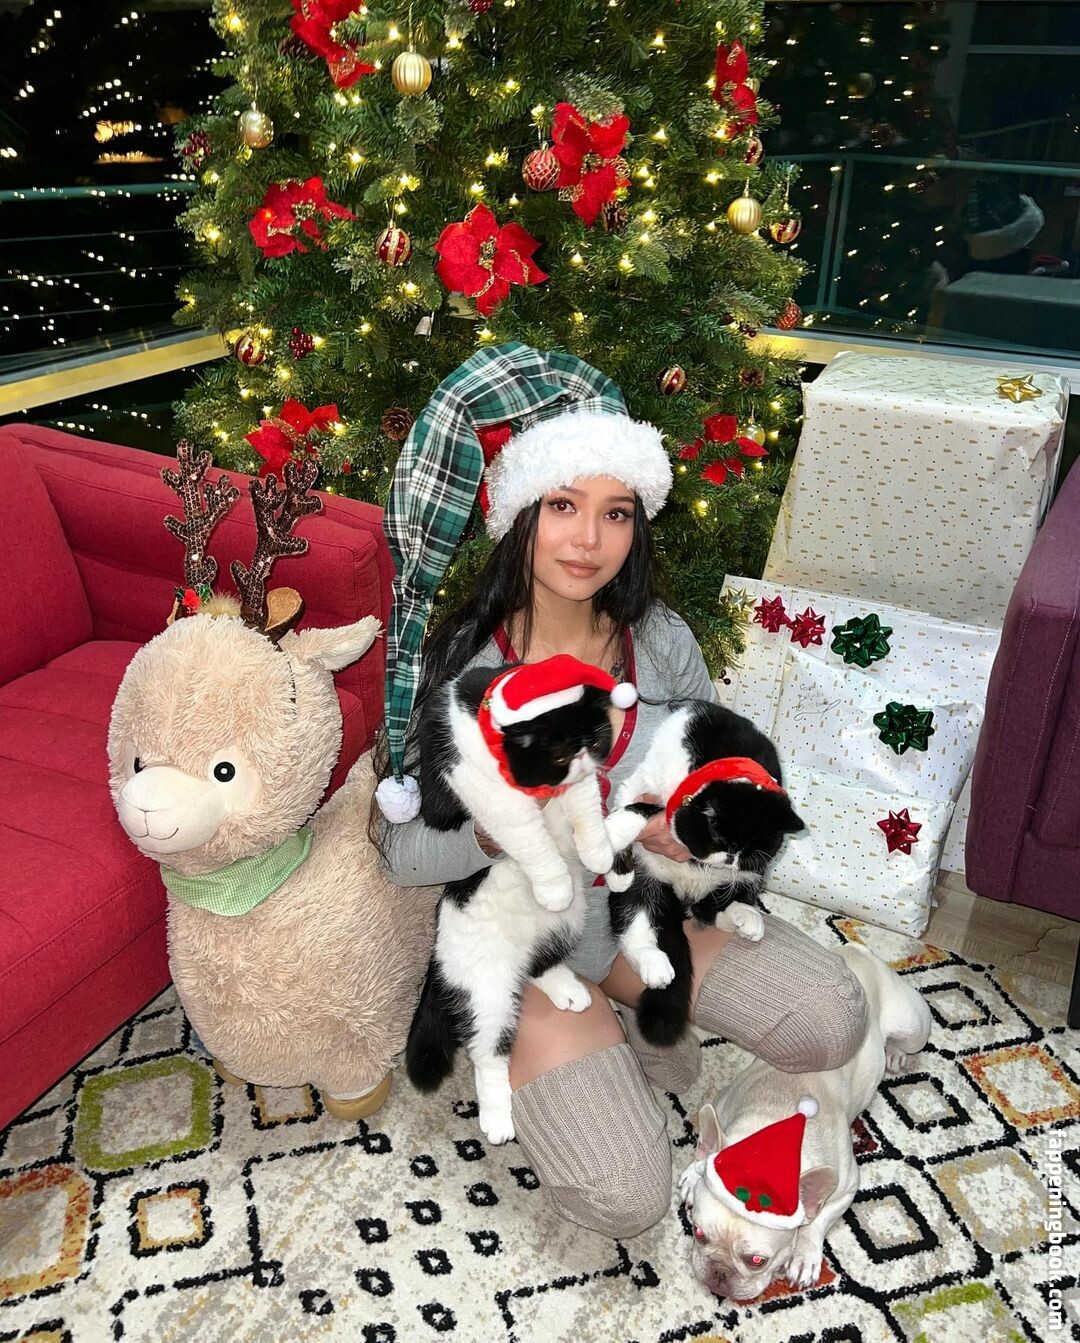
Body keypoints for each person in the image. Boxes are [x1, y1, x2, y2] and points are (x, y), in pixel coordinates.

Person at [371, 342, 868, 1239]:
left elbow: (736, 778)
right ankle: (600, 1020)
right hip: (529, 937)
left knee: (832, 1018)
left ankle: (636, 1005)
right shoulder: (457, 663)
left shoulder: (662, 640)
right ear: (520, 511)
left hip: (647, 908)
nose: (588, 541)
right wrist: (496, 829)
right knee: (625, 1196)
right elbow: (399, 850)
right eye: (563, 505)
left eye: (616, 513)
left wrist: (699, 836)